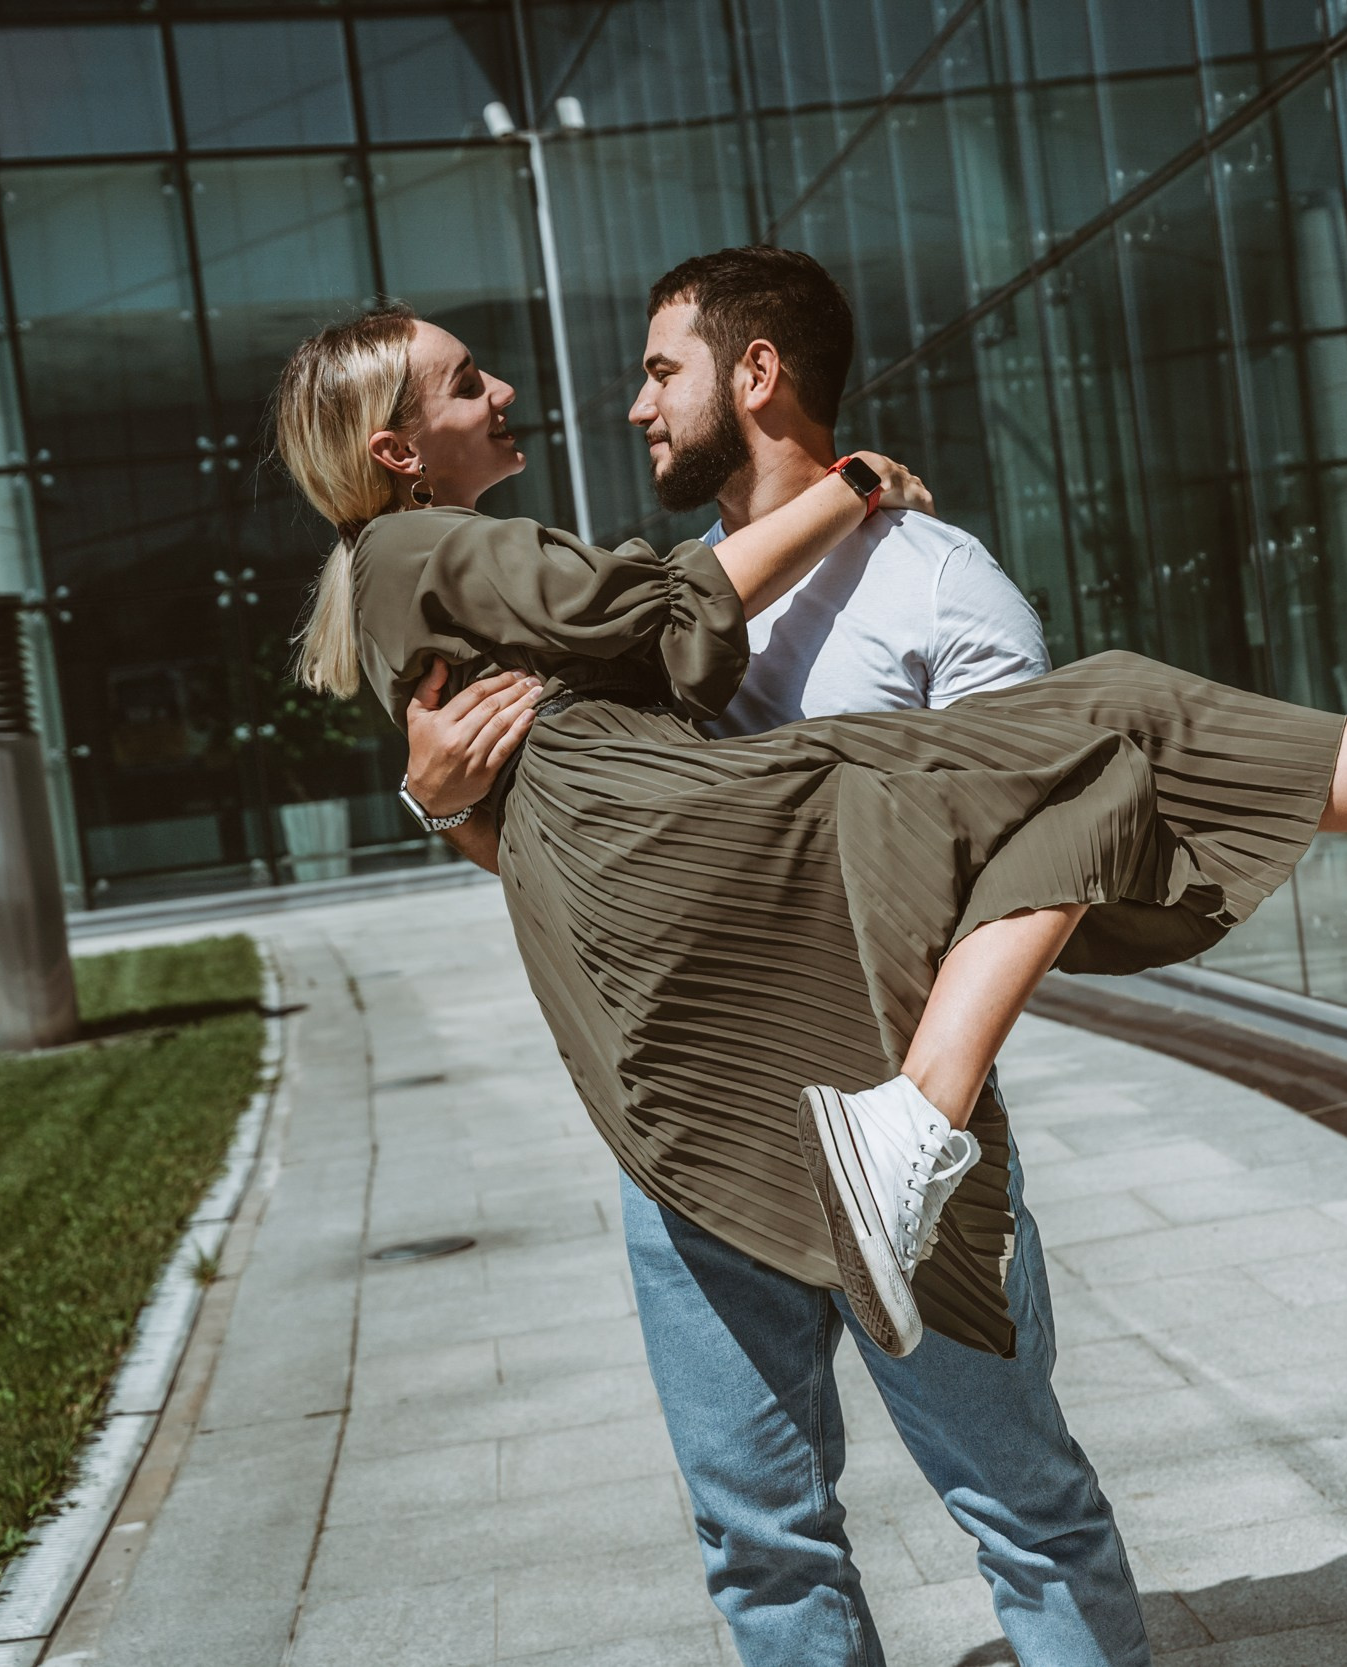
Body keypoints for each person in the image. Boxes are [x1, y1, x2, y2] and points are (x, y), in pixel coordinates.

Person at [271, 275, 1347, 1471]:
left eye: (647, 371)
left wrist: (435, 800)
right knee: (1115, 718)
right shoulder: (417, 551)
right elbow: (647, 608)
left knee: (1107, 740)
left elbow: (565, 761)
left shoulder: (422, 584)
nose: (511, 390)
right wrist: (847, 487)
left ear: (753, 373)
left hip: (702, 869)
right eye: (468, 381)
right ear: (397, 451)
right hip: (726, 839)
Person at [404, 248, 1137, 1667]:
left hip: (894, 1138)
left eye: (660, 370)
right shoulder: (637, 616)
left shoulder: (940, 592)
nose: (634, 407)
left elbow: (1041, 865)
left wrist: (928, 1098)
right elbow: (554, 859)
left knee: (1022, 1508)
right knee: (759, 1545)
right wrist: (438, 797)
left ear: (755, 375)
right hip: (681, 1149)